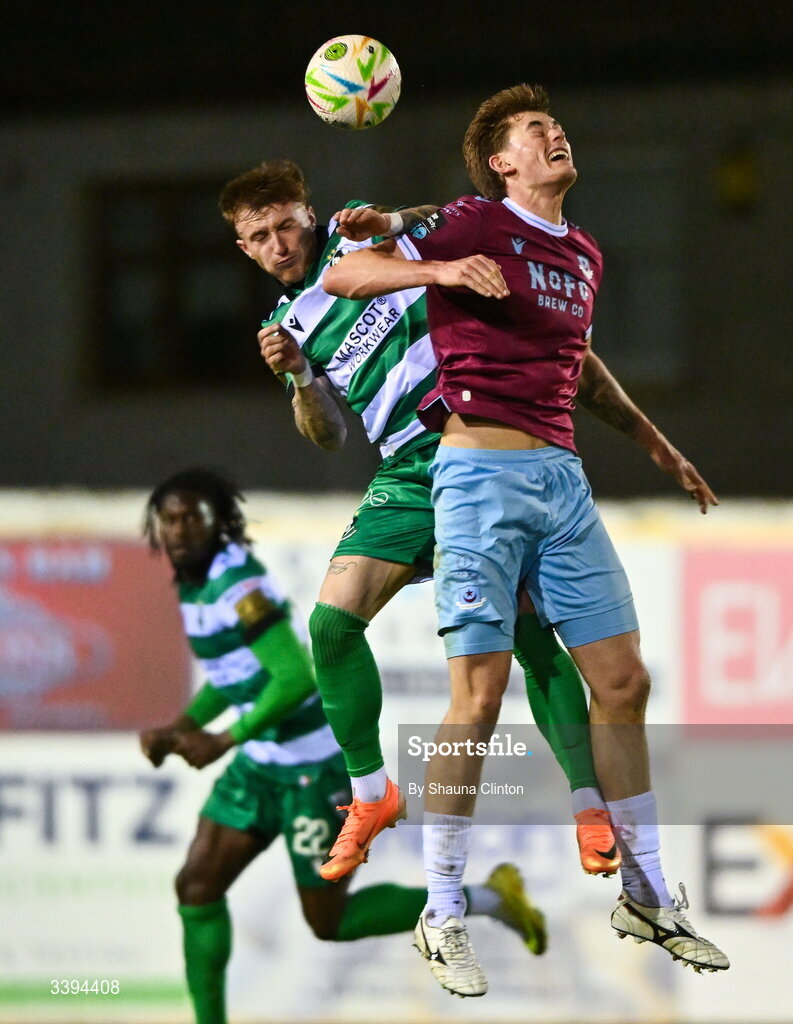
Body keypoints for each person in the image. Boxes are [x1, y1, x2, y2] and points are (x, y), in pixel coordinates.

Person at [322, 84, 730, 997]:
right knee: (480, 696)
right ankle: (442, 911)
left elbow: (577, 363)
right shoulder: (473, 221)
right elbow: (345, 275)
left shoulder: (581, 252)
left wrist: (656, 442)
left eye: (557, 126)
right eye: (534, 131)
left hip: (562, 481)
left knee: (623, 682)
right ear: (502, 162)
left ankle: (649, 889)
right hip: (475, 479)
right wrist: (438, 272)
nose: (555, 135)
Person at [216, 160, 623, 892]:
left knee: (530, 634)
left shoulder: (356, 234)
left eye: (285, 224)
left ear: (308, 214)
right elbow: (327, 435)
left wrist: (405, 229)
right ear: (244, 249)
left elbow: (444, 217)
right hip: (406, 472)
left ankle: (591, 806)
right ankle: (373, 796)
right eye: (259, 237)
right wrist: (303, 376)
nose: (278, 243)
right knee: (331, 626)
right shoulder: (284, 327)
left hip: (478, 444)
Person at [138, 468, 547, 1024]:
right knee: (196, 886)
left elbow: (295, 678)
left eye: (193, 517)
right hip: (261, 767)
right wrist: (183, 723)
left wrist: (222, 738)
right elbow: (237, 673)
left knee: (328, 923)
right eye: (170, 518)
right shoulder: (192, 582)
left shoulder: (239, 587)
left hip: (311, 772)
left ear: (220, 525)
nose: (180, 529)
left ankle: (494, 898)